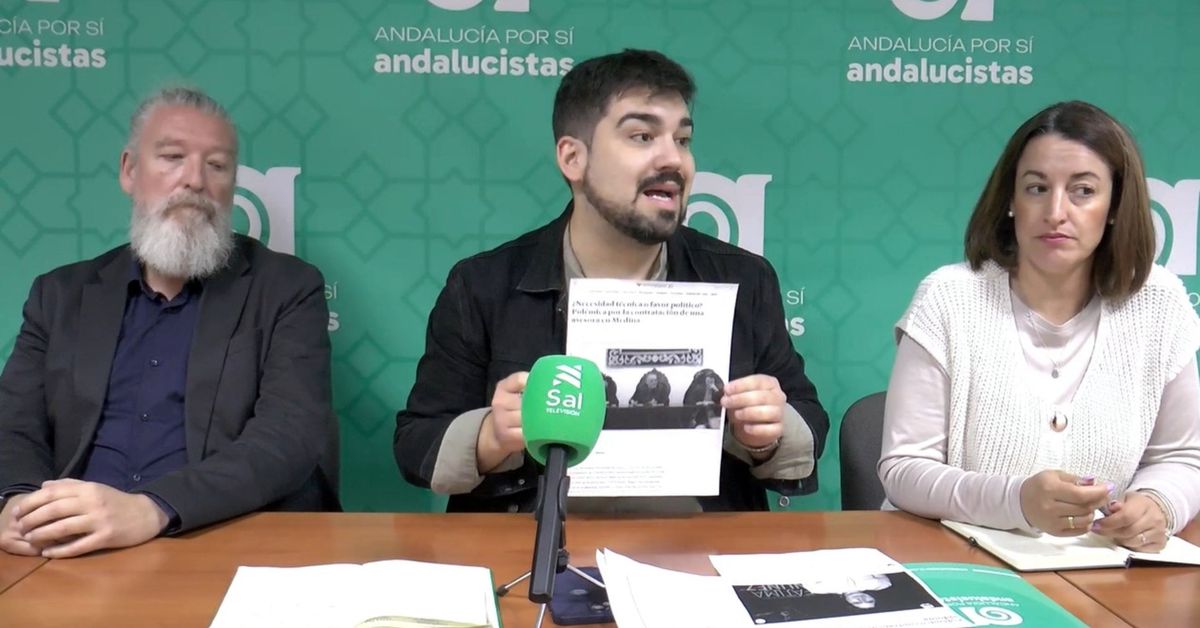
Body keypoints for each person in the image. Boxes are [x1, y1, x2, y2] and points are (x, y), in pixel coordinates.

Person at [394, 49, 828, 512]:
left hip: (700, 543)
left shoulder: (743, 279)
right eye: (643, 136)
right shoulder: (483, 285)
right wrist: (491, 436)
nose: (674, 159)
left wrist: (765, 432)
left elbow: (808, 425)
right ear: (573, 158)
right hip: (534, 542)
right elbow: (417, 445)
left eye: (683, 139)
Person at [0, 86, 339, 559]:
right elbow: (14, 423)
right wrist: (19, 502)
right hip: (69, 548)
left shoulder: (286, 288)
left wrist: (154, 508)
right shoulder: (59, 295)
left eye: (217, 165)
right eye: (173, 157)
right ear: (129, 170)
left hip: (220, 539)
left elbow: (290, 436)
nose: (195, 180)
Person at [879, 101, 1200, 551]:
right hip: (956, 561)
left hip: (1100, 569)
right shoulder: (948, 298)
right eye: (1036, 188)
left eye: (1083, 191)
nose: (1056, 211)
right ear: (1011, 201)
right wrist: (1017, 502)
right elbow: (904, 469)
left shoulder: (1159, 303)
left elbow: (1185, 458)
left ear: (1113, 206)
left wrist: (1158, 503)